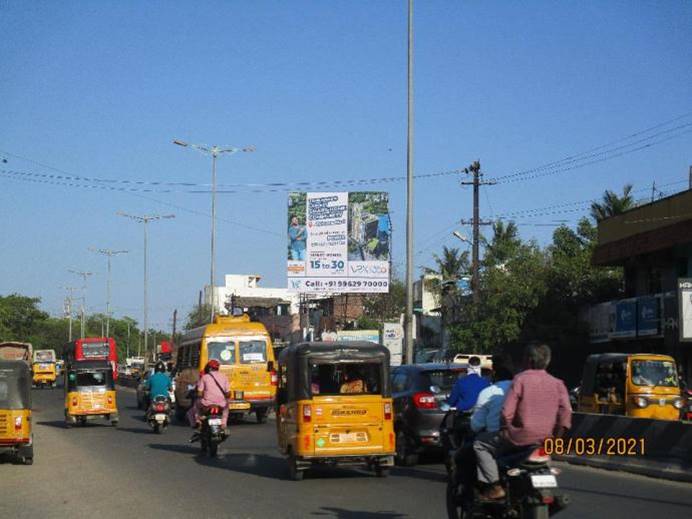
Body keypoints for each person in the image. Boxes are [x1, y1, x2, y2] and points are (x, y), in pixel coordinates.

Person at [474, 343, 572, 500]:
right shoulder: (558, 383)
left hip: (518, 438)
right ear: (547, 361)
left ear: (529, 361)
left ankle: (495, 485)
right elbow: (566, 413)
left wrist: (505, 429)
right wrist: (557, 439)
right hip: (545, 441)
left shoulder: (520, 380)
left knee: (480, 444)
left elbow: (507, 412)